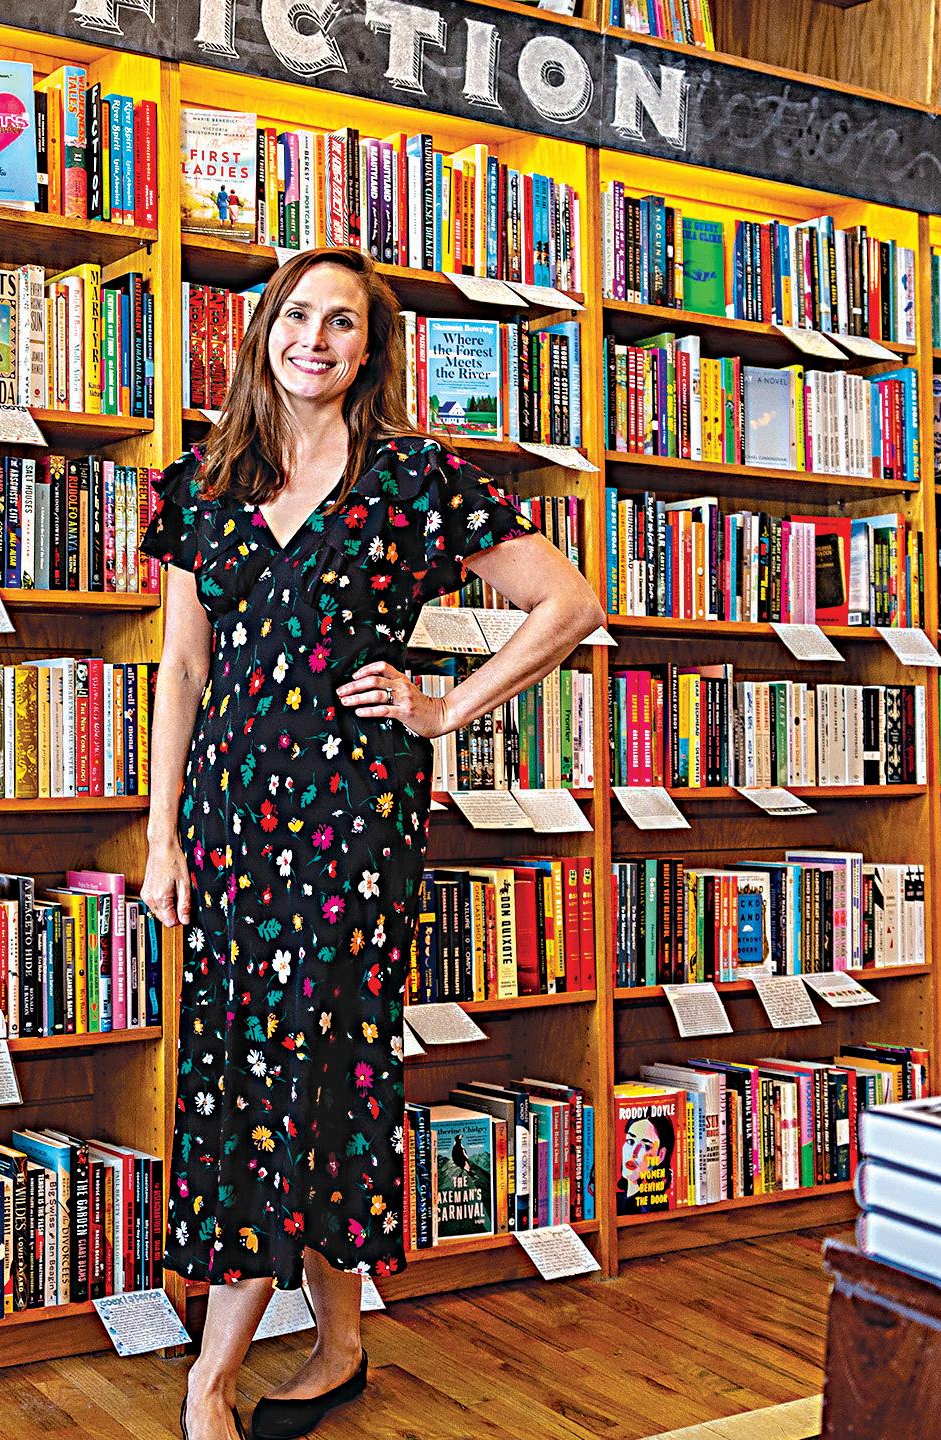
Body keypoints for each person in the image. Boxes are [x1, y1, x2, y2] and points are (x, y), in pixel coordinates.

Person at [138, 246, 603, 1440]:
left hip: (353, 814)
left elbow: (569, 602)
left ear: (369, 348)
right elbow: (182, 667)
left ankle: (208, 1381)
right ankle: (339, 1343)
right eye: (297, 315)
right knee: (264, 1068)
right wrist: (162, 837)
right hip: (232, 822)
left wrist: (446, 706)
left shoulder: (413, 477)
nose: (315, 338)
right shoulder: (203, 483)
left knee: (307, 1067)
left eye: (341, 322)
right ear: (263, 333)